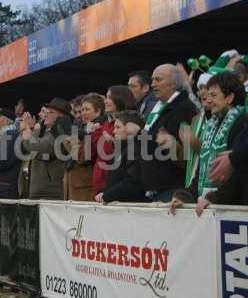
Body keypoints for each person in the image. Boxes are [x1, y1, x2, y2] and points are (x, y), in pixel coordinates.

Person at [170, 72, 248, 215]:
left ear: (229, 97)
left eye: (213, 95)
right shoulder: (212, 125)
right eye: (207, 95)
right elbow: (202, 172)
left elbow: (238, 172)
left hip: (232, 212)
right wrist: (184, 196)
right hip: (211, 208)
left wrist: (215, 198)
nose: (207, 100)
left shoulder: (241, 122)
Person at [134, 64, 197, 202]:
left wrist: (139, 133)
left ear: (174, 83)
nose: (153, 84)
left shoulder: (184, 108)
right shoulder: (160, 108)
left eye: (158, 79)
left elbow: (187, 153)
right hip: (155, 190)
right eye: (152, 80)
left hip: (172, 190)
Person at [20, 98, 72, 199]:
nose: (46, 114)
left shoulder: (61, 131)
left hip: (51, 192)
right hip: (38, 189)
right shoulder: (44, 130)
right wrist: (31, 131)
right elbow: (25, 149)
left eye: (51, 112)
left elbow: (40, 148)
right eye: (46, 112)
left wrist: (27, 132)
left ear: (61, 117)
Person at [94, 111, 147, 203]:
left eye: (118, 127)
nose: (114, 131)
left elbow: (132, 183)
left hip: (132, 210)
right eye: (114, 127)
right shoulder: (120, 150)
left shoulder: (136, 149)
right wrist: (105, 193)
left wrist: (107, 196)